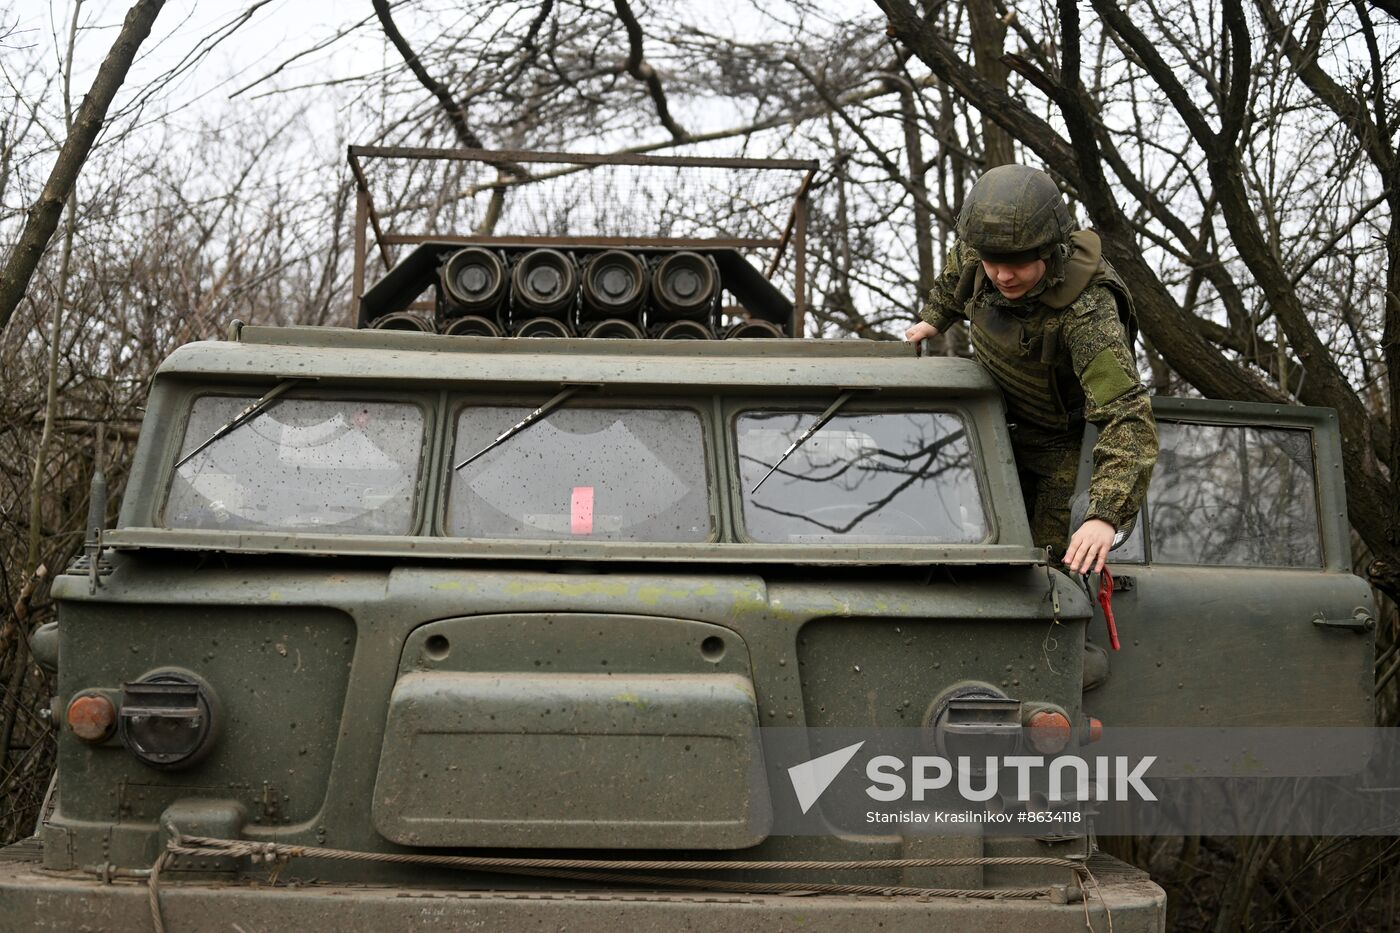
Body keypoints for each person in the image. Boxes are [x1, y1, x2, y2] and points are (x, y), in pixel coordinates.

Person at [904, 164, 1156, 575]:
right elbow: (956, 276)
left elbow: (1127, 414)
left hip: (1063, 450)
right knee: (959, 556)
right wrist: (934, 318)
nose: (1002, 275)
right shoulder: (982, 250)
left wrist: (1103, 515)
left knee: (1040, 576)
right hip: (990, 431)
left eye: (1018, 263)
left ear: (1047, 249)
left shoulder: (1087, 312)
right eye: (992, 262)